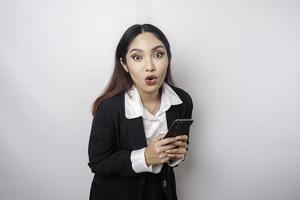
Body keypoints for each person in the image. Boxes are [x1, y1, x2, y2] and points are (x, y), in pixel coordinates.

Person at [88, 23, 193, 200]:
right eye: (137, 57)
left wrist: (176, 154)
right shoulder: (109, 108)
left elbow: (173, 157)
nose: (150, 66)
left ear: (168, 58)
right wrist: (145, 157)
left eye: (158, 55)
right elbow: (98, 163)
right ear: (124, 64)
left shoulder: (182, 101)